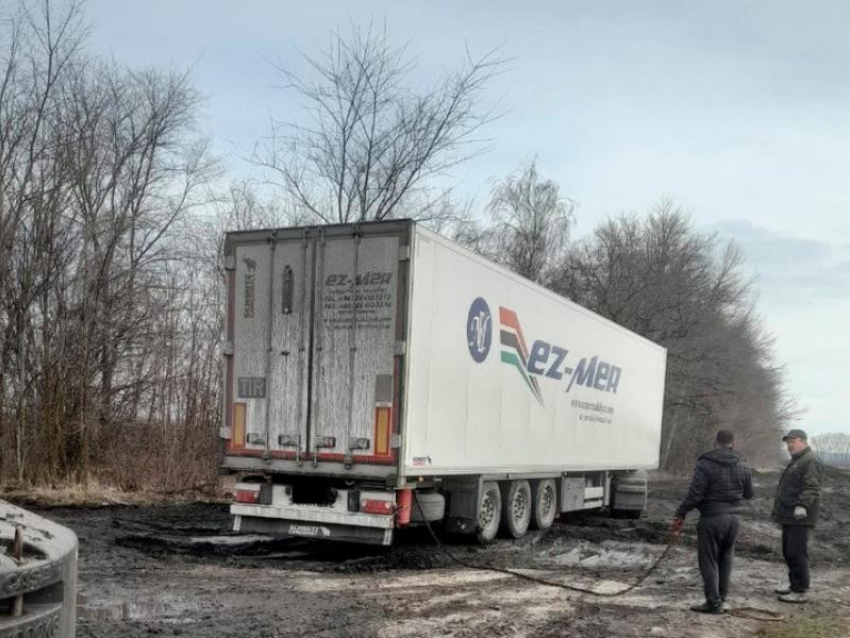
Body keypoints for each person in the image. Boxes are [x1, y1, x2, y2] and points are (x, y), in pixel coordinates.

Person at [672, 429, 754, 614]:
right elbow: (749, 494)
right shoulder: (743, 464)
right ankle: (721, 600)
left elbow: (695, 493)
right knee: (726, 559)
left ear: (715, 443)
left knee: (708, 561)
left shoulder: (705, 463)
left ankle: (712, 602)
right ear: (733, 444)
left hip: (712, 518)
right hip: (734, 520)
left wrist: (681, 512)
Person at [771, 429, 823, 604]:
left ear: (803, 441)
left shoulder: (810, 460)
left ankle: (800, 590)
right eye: (787, 443)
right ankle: (794, 584)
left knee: (796, 552)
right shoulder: (798, 460)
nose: (789, 446)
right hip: (789, 515)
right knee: (788, 551)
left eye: (792, 442)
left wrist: (802, 505)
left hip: (800, 516)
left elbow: (812, 487)